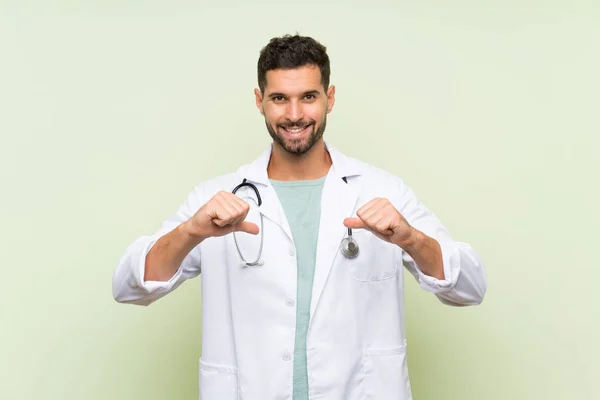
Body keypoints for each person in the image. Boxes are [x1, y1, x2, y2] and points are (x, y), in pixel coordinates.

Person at [112, 34, 487, 400]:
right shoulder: (217, 197)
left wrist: (411, 239)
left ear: (330, 97)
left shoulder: (382, 190)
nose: (294, 115)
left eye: (308, 97)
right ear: (260, 101)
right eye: (279, 98)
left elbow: (469, 288)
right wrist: (191, 232)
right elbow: (131, 286)